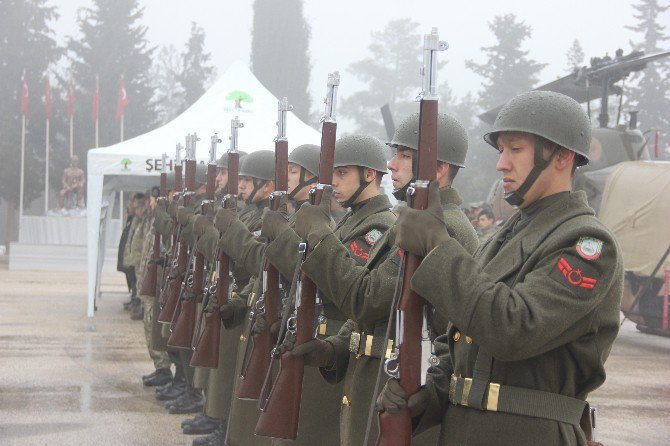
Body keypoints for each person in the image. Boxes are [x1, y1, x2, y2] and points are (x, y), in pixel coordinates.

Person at [377, 91, 624, 446]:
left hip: (529, 434)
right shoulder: (502, 237)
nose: (501, 163)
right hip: (465, 430)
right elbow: (463, 343)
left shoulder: (586, 244)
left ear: (563, 156)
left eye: (516, 149)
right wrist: (428, 398)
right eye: (501, 151)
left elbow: (514, 328)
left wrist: (438, 245)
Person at [283, 114, 477, 445]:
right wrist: (333, 349)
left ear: (440, 168)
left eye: (404, 155)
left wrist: (320, 234)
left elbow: (369, 298)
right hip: (377, 381)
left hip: (409, 387)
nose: (392, 164)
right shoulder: (422, 224)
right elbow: (379, 314)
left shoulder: (445, 229)